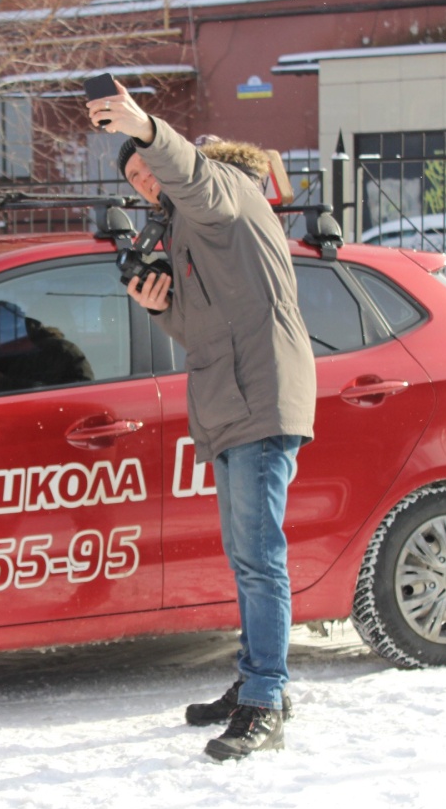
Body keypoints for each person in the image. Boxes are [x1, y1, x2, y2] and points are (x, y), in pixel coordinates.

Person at [87, 84, 316, 762]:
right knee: (247, 558)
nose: (146, 180)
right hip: (229, 398)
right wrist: (157, 303)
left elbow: (192, 175)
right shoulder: (190, 232)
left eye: (148, 166)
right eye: (133, 179)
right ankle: (256, 679)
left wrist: (145, 128)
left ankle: (266, 698)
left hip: (260, 394)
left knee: (260, 557)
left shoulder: (227, 193)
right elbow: (201, 332)